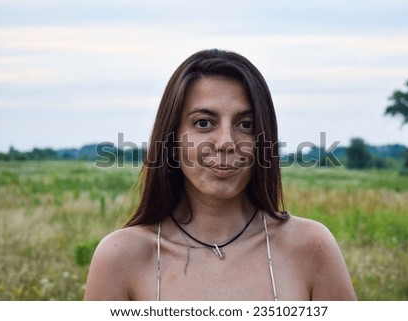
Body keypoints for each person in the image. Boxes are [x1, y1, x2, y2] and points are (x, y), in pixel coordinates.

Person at [84, 49, 357, 301]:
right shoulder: (120, 258)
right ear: (172, 138)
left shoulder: (311, 248)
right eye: (204, 123)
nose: (226, 142)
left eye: (246, 124)